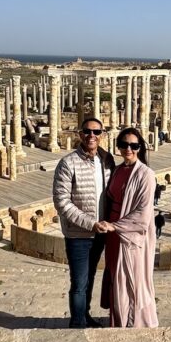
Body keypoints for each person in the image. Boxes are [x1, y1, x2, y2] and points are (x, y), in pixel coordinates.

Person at [52, 117, 116, 328]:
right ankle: (77, 323)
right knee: (79, 282)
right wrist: (91, 223)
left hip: (100, 233)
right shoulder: (68, 163)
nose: (91, 136)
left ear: (102, 135)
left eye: (96, 132)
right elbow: (62, 202)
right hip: (78, 234)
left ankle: (85, 315)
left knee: (90, 278)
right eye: (87, 131)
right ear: (80, 134)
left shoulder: (107, 160)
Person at [97, 127, 160, 328]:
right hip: (112, 234)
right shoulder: (117, 170)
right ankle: (117, 320)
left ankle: (133, 323)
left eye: (134, 145)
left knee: (131, 280)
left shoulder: (146, 174)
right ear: (118, 146)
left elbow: (144, 213)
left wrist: (114, 226)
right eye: (124, 145)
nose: (128, 149)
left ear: (140, 147)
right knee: (116, 277)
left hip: (130, 236)